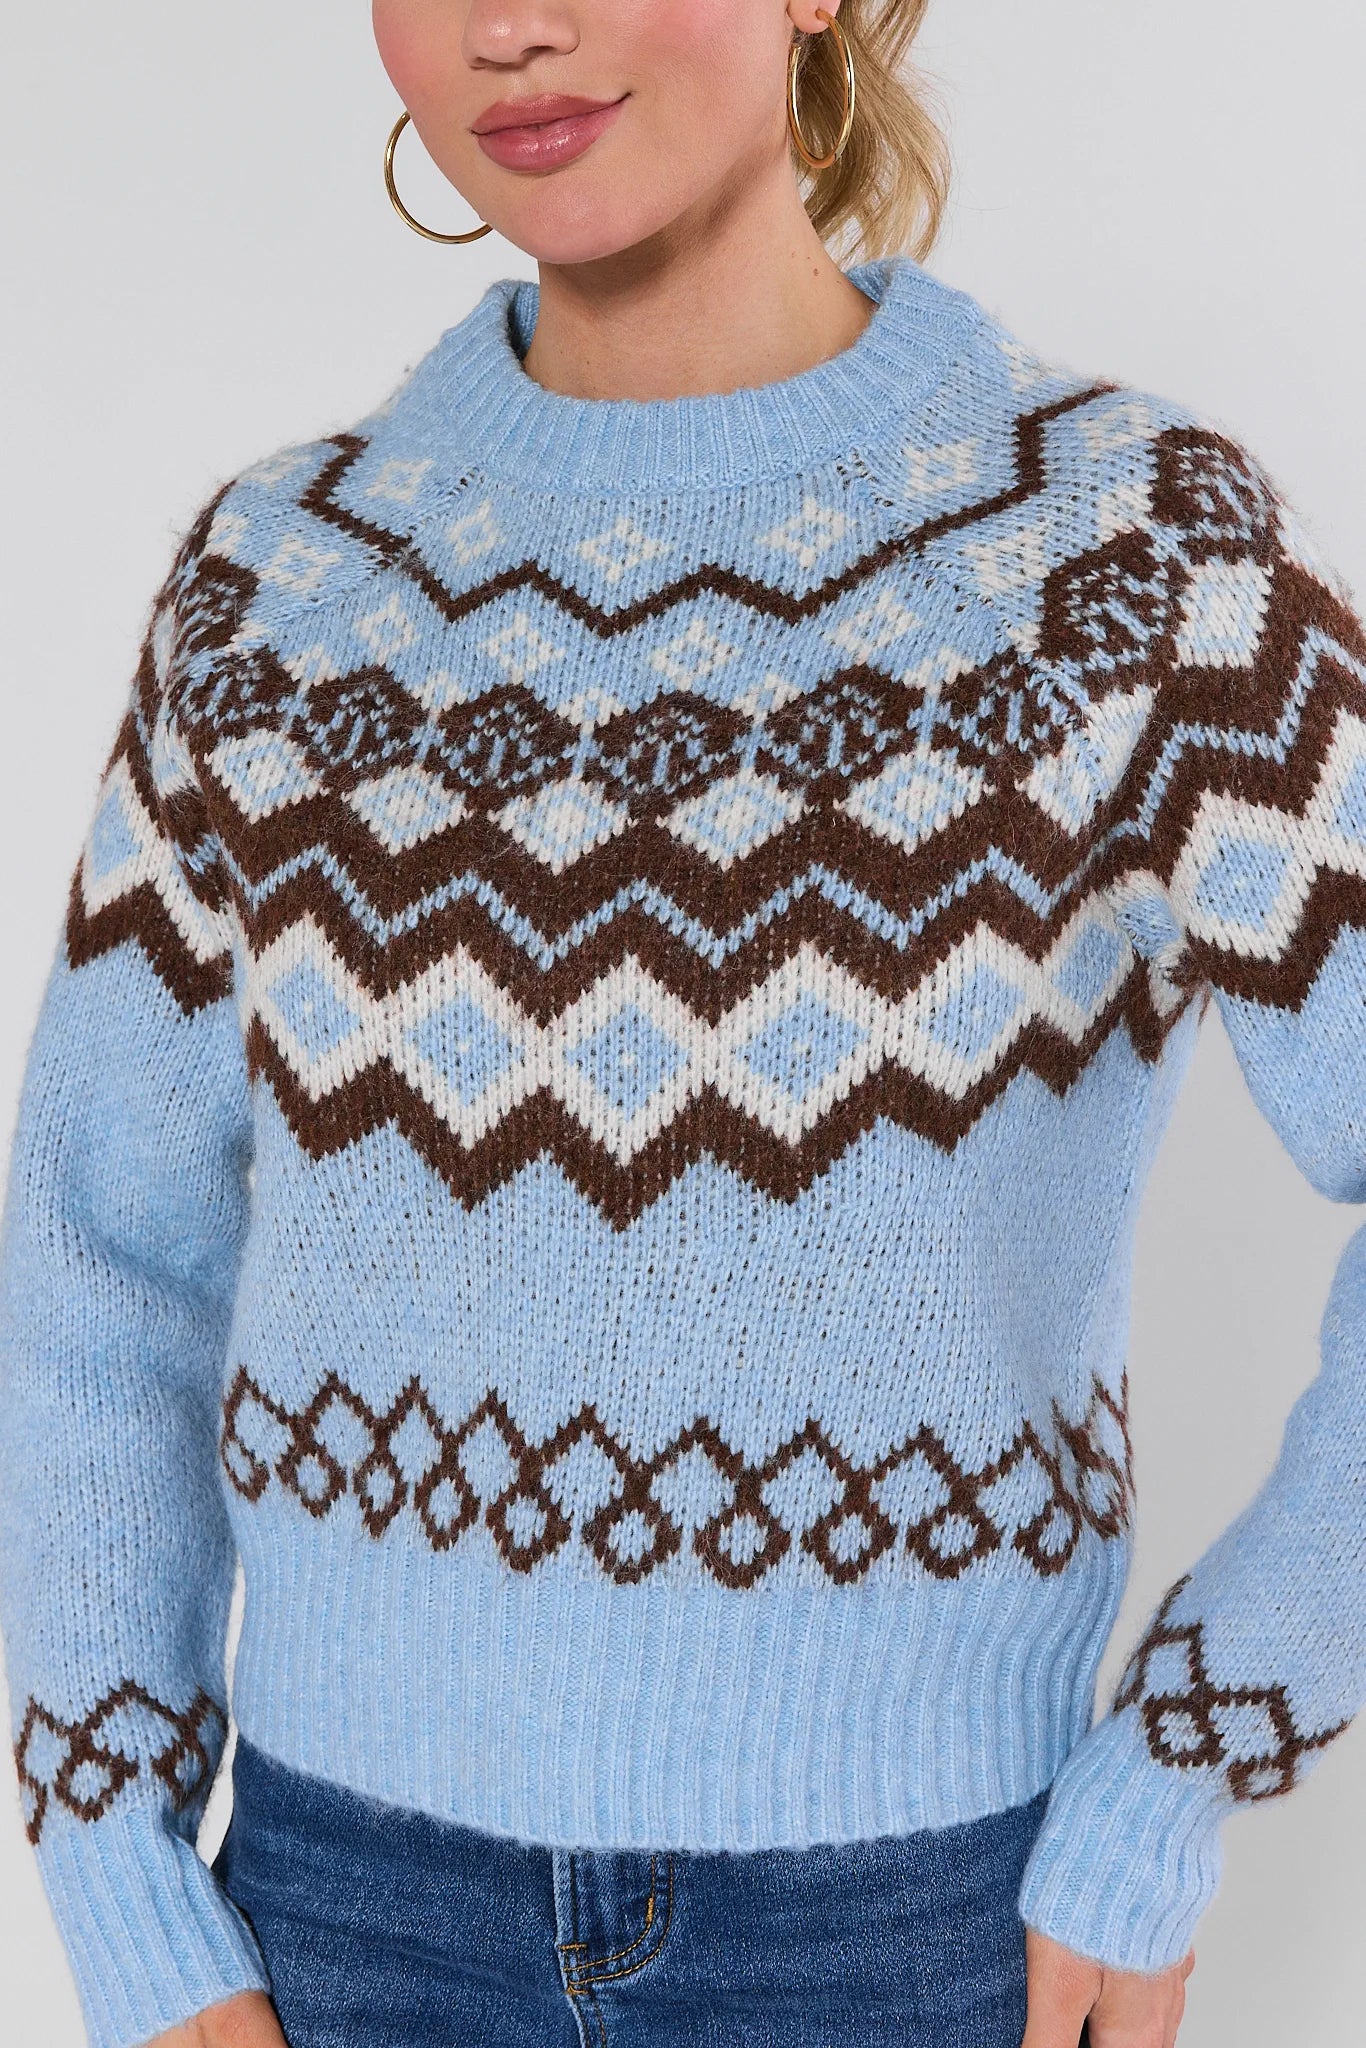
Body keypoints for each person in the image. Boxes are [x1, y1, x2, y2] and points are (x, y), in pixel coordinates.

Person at [2, 1, 1363, 2044]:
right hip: (333, 1928)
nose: (511, 24)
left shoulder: (1123, 550)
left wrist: (1186, 1754)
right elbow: (97, 1253)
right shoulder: (276, 589)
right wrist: (117, 1880)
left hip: (915, 1930)